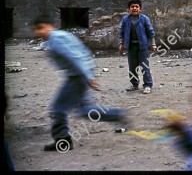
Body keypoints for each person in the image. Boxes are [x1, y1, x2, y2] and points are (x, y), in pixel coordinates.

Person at [33, 14, 126, 152]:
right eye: (36, 29)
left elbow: (75, 57)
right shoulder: (57, 37)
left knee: (58, 108)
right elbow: (82, 52)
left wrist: (89, 77)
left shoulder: (56, 39)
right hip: (79, 75)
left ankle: (62, 141)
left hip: (77, 77)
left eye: (41, 27)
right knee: (83, 111)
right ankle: (115, 114)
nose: (38, 32)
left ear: (51, 26)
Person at [118, 0, 156, 94]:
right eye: (132, 7)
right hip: (131, 46)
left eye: (136, 7)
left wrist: (153, 44)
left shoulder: (144, 19)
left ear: (140, 9)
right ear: (128, 9)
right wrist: (121, 43)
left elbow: (151, 32)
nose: (134, 8)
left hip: (143, 47)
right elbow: (121, 32)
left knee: (144, 66)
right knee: (132, 66)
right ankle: (134, 84)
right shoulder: (125, 19)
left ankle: (147, 85)